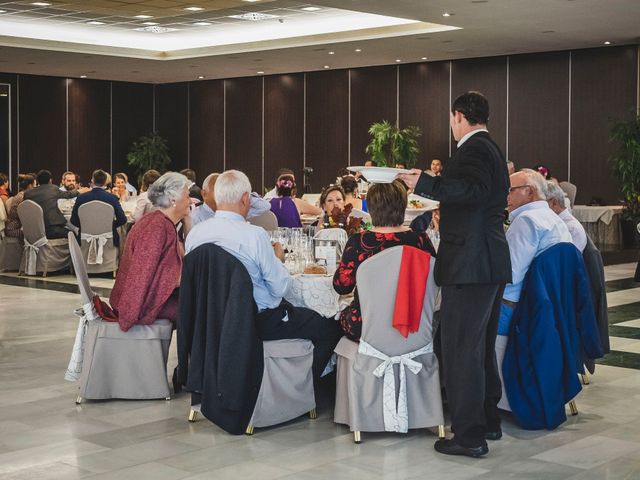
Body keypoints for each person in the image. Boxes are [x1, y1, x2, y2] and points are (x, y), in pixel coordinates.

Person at [398, 91, 512, 458]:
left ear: (459, 116)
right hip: (487, 260)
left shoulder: (474, 149)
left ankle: (469, 436)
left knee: (461, 350)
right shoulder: (490, 147)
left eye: (451, 118)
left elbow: (473, 191)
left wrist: (426, 183)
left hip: (470, 262)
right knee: (477, 349)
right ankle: (486, 421)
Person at [186, 170, 341, 382]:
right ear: (245, 198)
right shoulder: (254, 236)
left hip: (208, 319)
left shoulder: (196, 234)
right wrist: (277, 259)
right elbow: (280, 288)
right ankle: (300, 388)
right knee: (330, 326)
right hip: (254, 321)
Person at [333, 180, 436, 341]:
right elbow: (435, 280)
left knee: (335, 317)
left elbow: (342, 286)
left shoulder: (358, 242)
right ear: (403, 205)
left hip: (367, 326)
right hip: (414, 323)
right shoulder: (420, 240)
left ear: (372, 208)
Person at [109, 172, 191, 332]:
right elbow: (141, 273)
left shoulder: (160, 221)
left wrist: (187, 219)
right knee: (199, 311)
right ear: (173, 200)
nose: (190, 201)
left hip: (149, 297)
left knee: (199, 304)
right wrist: (130, 315)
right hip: (142, 304)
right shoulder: (157, 227)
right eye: (187, 196)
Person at [498, 169, 573, 334]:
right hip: (550, 303)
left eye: (510, 190)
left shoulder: (527, 220)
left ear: (529, 191)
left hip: (515, 306)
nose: (506, 197)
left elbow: (510, 274)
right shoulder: (555, 220)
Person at [70, 169, 127, 248]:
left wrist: (86, 226)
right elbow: (123, 219)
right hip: (108, 240)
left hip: (85, 240)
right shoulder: (112, 198)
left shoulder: (81, 198)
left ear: (92, 181)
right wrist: (109, 225)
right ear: (105, 182)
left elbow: (73, 220)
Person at [190, 172, 272, 227]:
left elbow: (265, 206)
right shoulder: (196, 216)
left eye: (225, 190)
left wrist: (241, 194)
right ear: (204, 194)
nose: (222, 195)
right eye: (217, 191)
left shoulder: (234, 210)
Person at [24, 169, 88, 239]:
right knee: (74, 233)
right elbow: (68, 194)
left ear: (37, 181)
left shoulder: (28, 194)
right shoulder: (52, 189)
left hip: (34, 231)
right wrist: (80, 191)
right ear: (50, 180)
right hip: (51, 230)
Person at [544, 180, 587, 252]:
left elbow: (566, 260)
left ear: (554, 203)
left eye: (542, 203)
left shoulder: (571, 228)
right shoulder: (553, 222)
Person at [4, 173, 36, 240]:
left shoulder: (20, 194)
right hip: (14, 230)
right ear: (30, 186)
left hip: (12, 227)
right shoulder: (24, 197)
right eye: (34, 186)